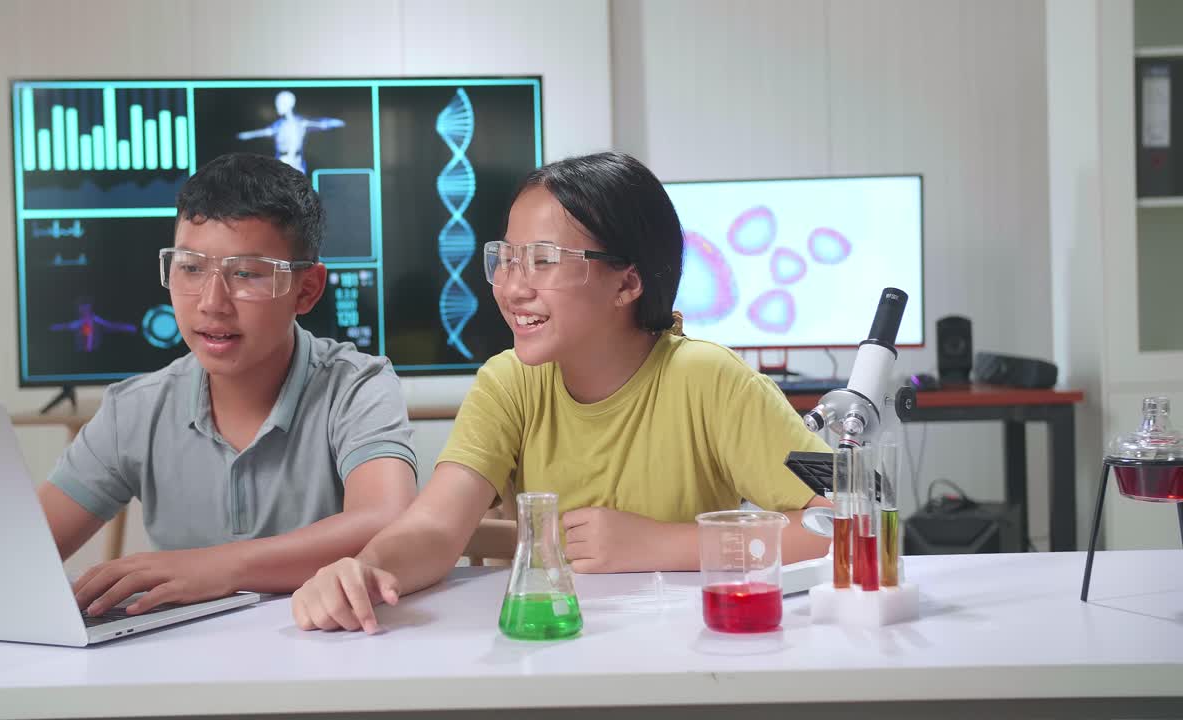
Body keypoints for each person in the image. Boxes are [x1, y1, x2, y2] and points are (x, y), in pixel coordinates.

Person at [290, 151, 832, 633]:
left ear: (627, 282)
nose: (511, 287)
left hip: (682, 654)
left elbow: (841, 523)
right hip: (547, 649)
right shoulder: (509, 382)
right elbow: (436, 525)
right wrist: (366, 570)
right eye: (506, 259)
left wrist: (661, 544)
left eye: (544, 261)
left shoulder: (710, 379)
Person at [37, 152, 417, 618]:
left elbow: (388, 520)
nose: (212, 303)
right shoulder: (135, 409)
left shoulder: (356, 386)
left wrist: (218, 567)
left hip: (327, 649)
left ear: (307, 290)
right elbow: (20, 552)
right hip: (183, 660)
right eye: (190, 268)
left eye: (246, 273)